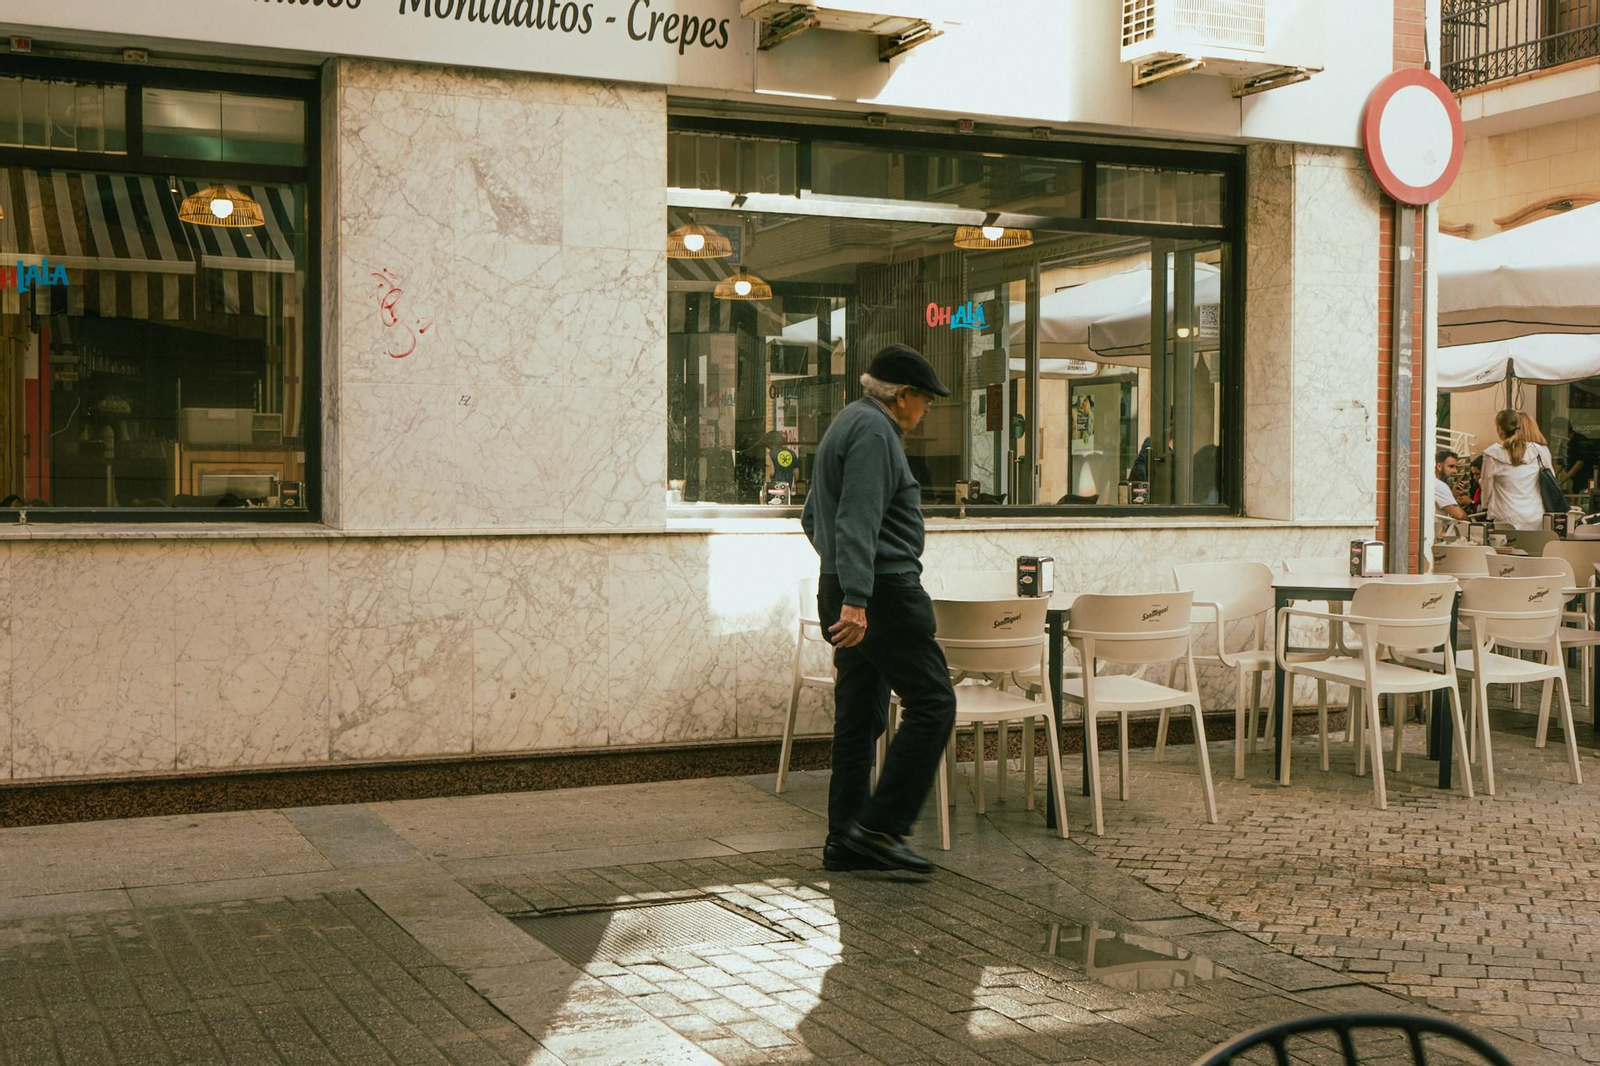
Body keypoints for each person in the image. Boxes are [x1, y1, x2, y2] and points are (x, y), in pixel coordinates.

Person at [801, 344, 956, 875]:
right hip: (882, 594)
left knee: (860, 715)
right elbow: (857, 519)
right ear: (904, 395)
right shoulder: (873, 433)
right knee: (934, 702)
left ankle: (844, 838)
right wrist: (859, 597)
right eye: (926, 399)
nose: (928, 409)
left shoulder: (849, 421)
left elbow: (812, 517)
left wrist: (840, 579)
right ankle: (881, 827)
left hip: (852, 588)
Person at [1479, 408, 1555, 530]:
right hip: (1536, 516)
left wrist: (1485, 505)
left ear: (1499, 429)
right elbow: (1552, 479)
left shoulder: (1492, 455)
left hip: (1505, 517)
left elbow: (1486, 487)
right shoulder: (1539, 450)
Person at [1553, 417, 1600, 491]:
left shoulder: (1579, 440)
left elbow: (1579, 463)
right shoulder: (1564, 442)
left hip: (1587, 478)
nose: (1557, 434)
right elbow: (1560, 463)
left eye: (1557, 432)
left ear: (1563, 430)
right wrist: (1552, 477)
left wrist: (1562, 480)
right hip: (1576, 480)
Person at [1433, 448, 1468, 521]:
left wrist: (1453, 495)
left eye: (1456, 467)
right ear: (1439, 466)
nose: (1455, 471)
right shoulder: (1439, 485)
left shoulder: (1432, 482)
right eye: (1451, 467)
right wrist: (1470, 521)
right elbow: (1459, 515)